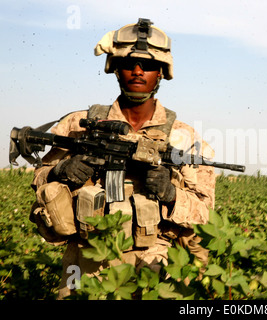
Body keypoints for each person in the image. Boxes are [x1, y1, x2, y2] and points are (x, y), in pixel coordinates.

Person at [30, 18, 215, 299]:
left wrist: (170, 194)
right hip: (83, 258)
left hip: (153, 264)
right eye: (129, 63)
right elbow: (39, 179)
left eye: (149, 65)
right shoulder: (79, 124)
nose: (138, 71)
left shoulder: (184, 138)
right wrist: (61, 171)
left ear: (162, 73)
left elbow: (204, 212)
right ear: (115, 68)